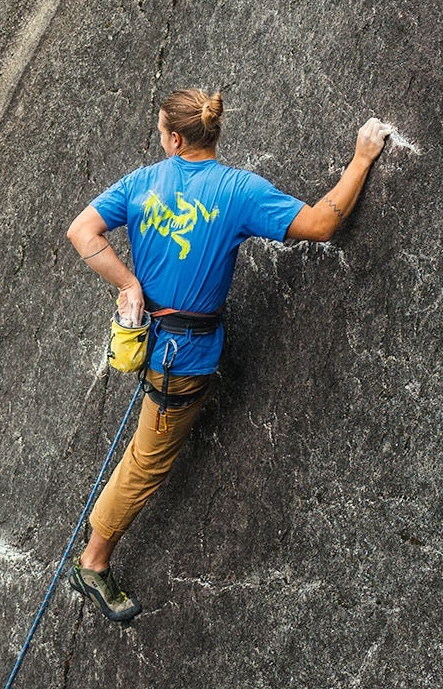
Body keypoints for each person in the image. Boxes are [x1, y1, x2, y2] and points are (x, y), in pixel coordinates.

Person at [63, 88, 389, 623]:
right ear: (211, 133)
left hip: (156, 346)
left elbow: (82, 232)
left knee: (148, 443)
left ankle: (93, 556)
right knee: (147, 461)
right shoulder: (237, 192)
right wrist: (360, 158)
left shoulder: (144, 182)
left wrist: (129, 286)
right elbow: (321, 223)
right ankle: (93, 562)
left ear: (173, 138)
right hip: (182, 365)